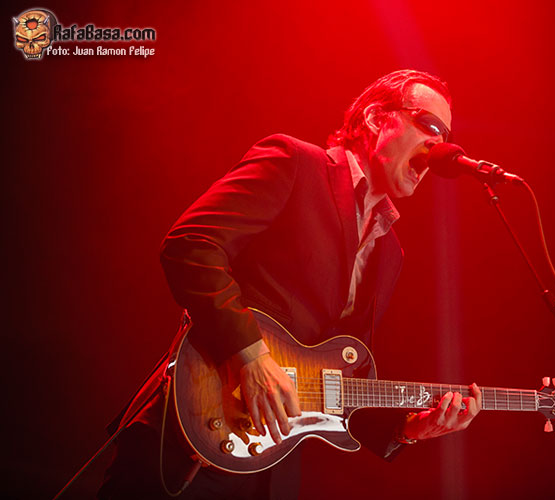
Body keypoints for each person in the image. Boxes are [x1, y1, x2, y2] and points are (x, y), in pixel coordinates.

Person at [98, 69, 481, 499]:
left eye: (446, 135)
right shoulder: (296, 162)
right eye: (429, 125)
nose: (439, 147)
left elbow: (338, 374)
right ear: (376, 118)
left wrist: (409, 428)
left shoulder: (390, 252)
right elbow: (191, 244)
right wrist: (250, 355)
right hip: (194, 424)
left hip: (271, 461)